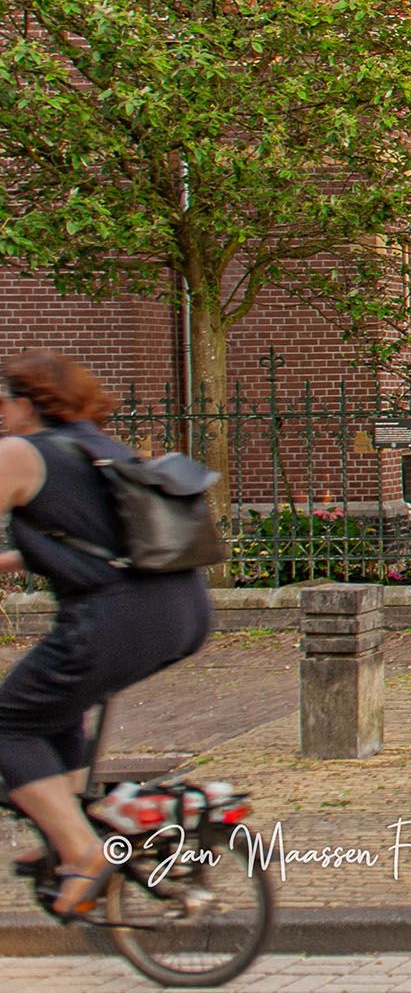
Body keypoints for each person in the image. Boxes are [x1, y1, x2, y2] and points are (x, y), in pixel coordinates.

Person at [0, 352, 213, 915]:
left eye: (5, 401)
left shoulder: (21, 452)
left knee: (8, 725)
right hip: (183, 609)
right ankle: (65, 832)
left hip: (113, 620)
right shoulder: (99, 447)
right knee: (55, 709)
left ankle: (81, 850)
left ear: (27, 404)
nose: (3, 413)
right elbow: (88, 537)